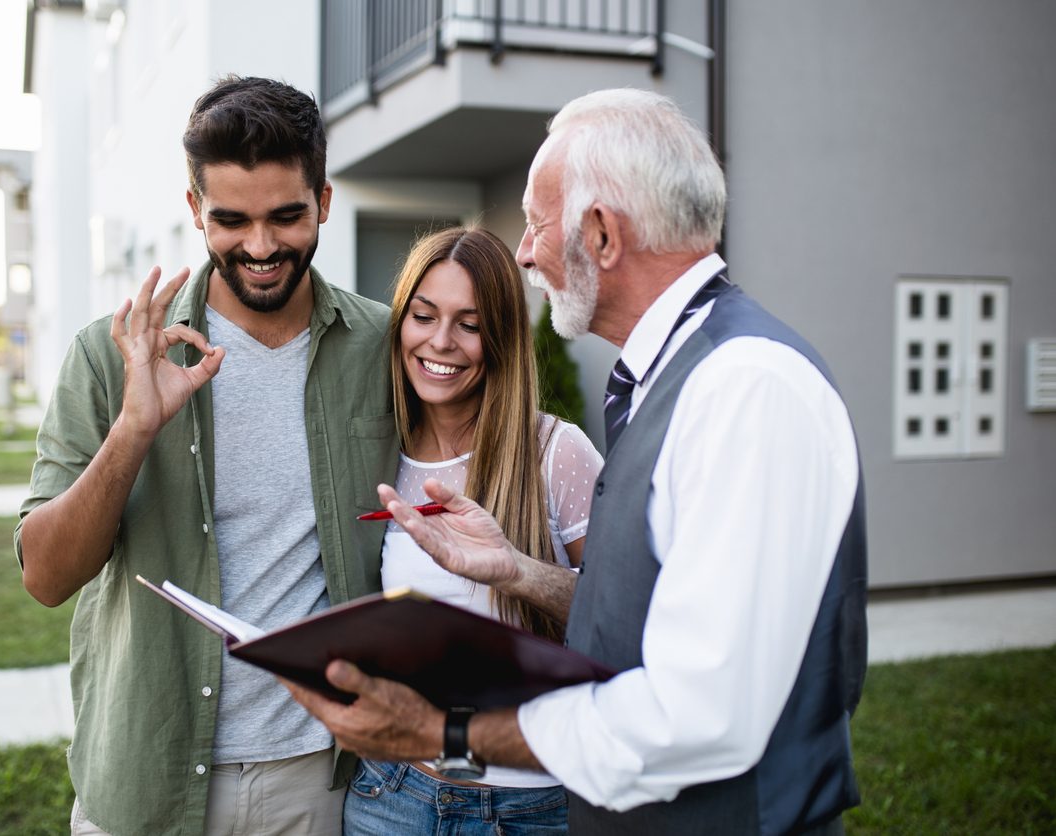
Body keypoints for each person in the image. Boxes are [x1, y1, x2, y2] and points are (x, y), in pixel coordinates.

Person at [286, 88, 868, 836]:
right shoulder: (680, 379)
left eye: (535, 223)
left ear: (599, 233)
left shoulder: (743, 386)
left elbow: (694, 716)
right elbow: (648, 624)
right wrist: (515, 569)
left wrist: (447, 733)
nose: (524, 252)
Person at [14, 75, 398, 836]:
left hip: (318, 779)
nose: (260, 247)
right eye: (231, 220)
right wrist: (133, 429)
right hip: (146, 776)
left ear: (324, 199)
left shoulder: (382, 348)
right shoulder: (106, 355)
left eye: (286, 216)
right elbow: (46, 578)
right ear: (195, 210)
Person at [344, 226, 603, 834]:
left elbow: (626, 622)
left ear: (501, 338)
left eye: (469, 323)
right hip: (393, 794)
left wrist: (520, 572)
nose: (441, 341)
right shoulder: (380, 456)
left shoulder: (555, 454)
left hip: (529, 806)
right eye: (424, 315)